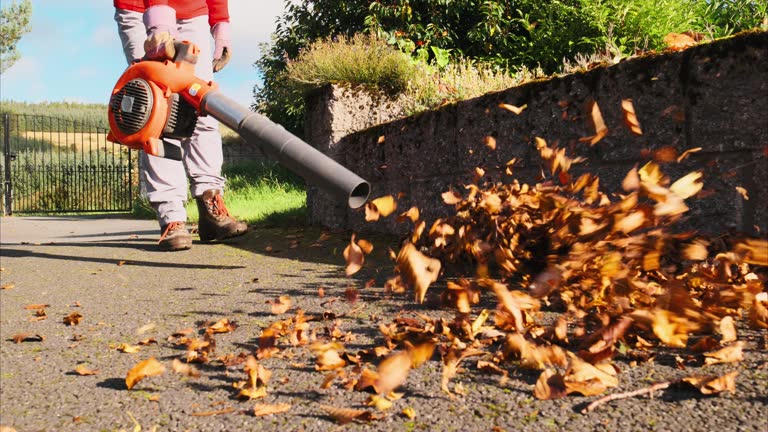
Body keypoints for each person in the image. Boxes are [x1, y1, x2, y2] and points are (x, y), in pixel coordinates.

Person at [113, 0, 247, 251]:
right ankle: (171, 217)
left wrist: (220, 23)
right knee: (158, 114)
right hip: (141, 9)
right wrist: (159, 24)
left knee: (202, 108)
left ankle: (211, 207)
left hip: (192, 11)